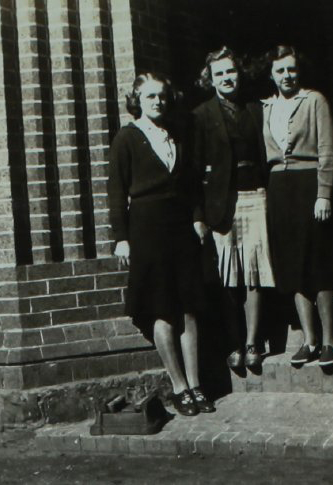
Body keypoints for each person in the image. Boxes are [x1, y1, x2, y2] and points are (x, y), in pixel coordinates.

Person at [107, 72, 214, 415]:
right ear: (137, 99)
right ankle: (179, 387)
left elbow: (191, 183)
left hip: (180, 229)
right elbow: (116, 192)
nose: (158, 102)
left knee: (189, 307)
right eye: (151, 96)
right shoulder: (127, 138)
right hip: (147, 230)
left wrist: (198, 217)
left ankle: (196, 386)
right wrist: (121, 238)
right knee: (162, 308)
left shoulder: (177, 136)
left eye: (163, 96)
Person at [260, 45, 333, 367]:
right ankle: (309, 340)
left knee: (319, 262)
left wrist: (324, 193)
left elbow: (326, 150)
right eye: (280, 70)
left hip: (309, 184)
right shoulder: (266, 107)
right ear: (271, 74)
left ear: (300, 71)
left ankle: (331, 341)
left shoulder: (314, 101)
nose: (287, 75)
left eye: (291, 69)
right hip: (280, 190)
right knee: (292, 265)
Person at [192, 47, 274, 369]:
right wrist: (198, 215)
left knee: (254, 272)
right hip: (221, 204)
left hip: (255, 195)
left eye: (231, 72)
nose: (226, 78)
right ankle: (234, 341)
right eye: (219, 74)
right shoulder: (201, 116)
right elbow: (194, 171)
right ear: (210, 80)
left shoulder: (255, 110)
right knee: (228, 277)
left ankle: (254, 340)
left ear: (239, 73)